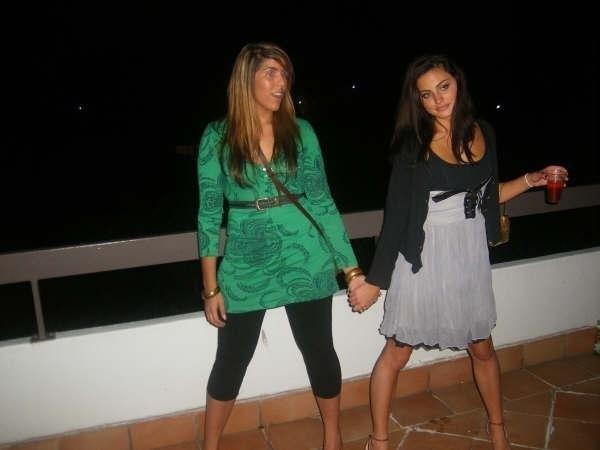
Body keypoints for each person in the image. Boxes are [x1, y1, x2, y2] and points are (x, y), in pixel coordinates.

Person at [348, 54, 568, 450]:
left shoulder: (484, 132)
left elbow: (487, 196)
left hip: (468, 253)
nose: (438, 100)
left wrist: (530, 180)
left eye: (443, 87)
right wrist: (375, 282)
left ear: (458, 84)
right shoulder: (413, 146)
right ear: (417, 101)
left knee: (482, 347)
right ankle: (378, 440)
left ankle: (498, 430)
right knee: (397, 352)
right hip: (425, 255)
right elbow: (396, 218)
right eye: (426, 94)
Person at [197, 42, 364, 450]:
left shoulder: (301, 132)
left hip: (306, 257)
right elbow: (208, 214)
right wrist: (211, 287)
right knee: (232, 359)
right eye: (270, 73)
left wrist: (352, 270)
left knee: (319, 351)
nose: (281, 82)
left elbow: (322, 202)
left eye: (284, 73)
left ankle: (332, 437)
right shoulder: (217, 136)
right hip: (246, 262)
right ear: (246, 78)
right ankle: (210, 444)